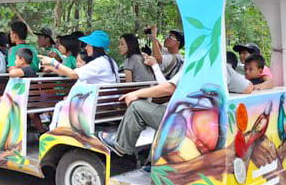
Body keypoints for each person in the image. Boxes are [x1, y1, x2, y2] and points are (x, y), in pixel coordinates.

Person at [97, 60, 253, 160]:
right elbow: (248, 88)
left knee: (137, 107)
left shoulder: (195, 63)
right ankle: (149, 161)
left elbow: (169, 88)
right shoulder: (222, 67)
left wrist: (136, 93)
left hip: (184, 123)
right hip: (209, 125)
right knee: (161, 108)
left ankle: (121, 147)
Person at [39, 30, 120, 130]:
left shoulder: (99, 63)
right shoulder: (110, 61)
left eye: (89, 45)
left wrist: (53, 62)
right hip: (107, 103)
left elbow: (73, 74)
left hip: (98, 105)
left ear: (95, 46)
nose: (86, 48)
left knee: (61, 105)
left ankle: (58, 132)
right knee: (64, 103)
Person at [0, 48, 37, 132]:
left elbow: (12, 74)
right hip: (30, 100)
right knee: (4, 98)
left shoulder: (27, 70)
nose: (15, 61)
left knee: (2, 100)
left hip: (25, 101)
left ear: (22, 60)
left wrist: (12, 68)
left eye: (16, 59)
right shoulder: (31, 70)